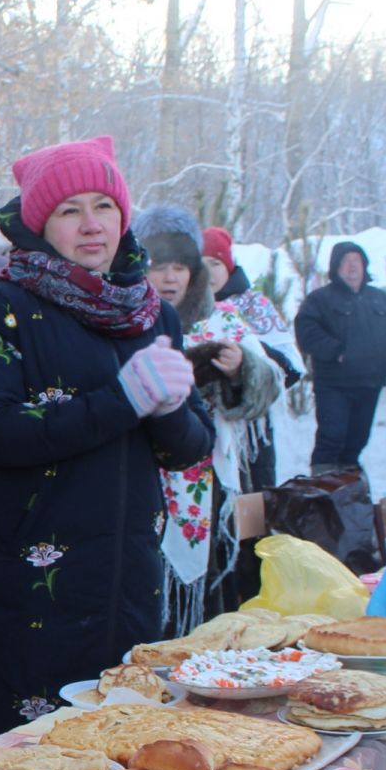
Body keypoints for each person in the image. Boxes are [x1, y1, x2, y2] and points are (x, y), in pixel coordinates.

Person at [0, 137, 214, 744]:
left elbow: (190, 448)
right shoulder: (4, 309)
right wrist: (124, 399)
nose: (92, 225)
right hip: (29, 592)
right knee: (20, 769)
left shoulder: (154, 315)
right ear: (42, 224)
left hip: (126, 584)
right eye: (70, 210)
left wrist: (170, 408)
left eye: (104, 205)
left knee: (120, 760)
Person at [135, 206, 281, 625]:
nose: (169, 278)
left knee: (213, 582)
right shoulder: (123, 320)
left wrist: (241, 369)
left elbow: (270, 386)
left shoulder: (224, 320)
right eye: (158, 266)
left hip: (210, 476)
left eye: (179, 267)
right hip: (141, 472)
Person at [295, 240, 386, 474]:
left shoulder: (380, 298)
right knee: (332, 436)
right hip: (334, 384)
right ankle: (321, 487)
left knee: (357, 439)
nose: (352, 266)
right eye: (346, 261)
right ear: (336, 267)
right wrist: (337, 352)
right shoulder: (320, 299)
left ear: (364, 265)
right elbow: (307, 333)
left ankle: (349, 490)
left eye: (356, 260)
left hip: (370, 383)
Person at [202, 225, 302, 489]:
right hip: (202, 431)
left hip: (252, 430)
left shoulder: (254, 306)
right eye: (200, 263)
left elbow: (291, 368)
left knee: (253, 506)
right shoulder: (184, 308)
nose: (208, 272)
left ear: (229, 265)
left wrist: (247, 356)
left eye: (215, 262)